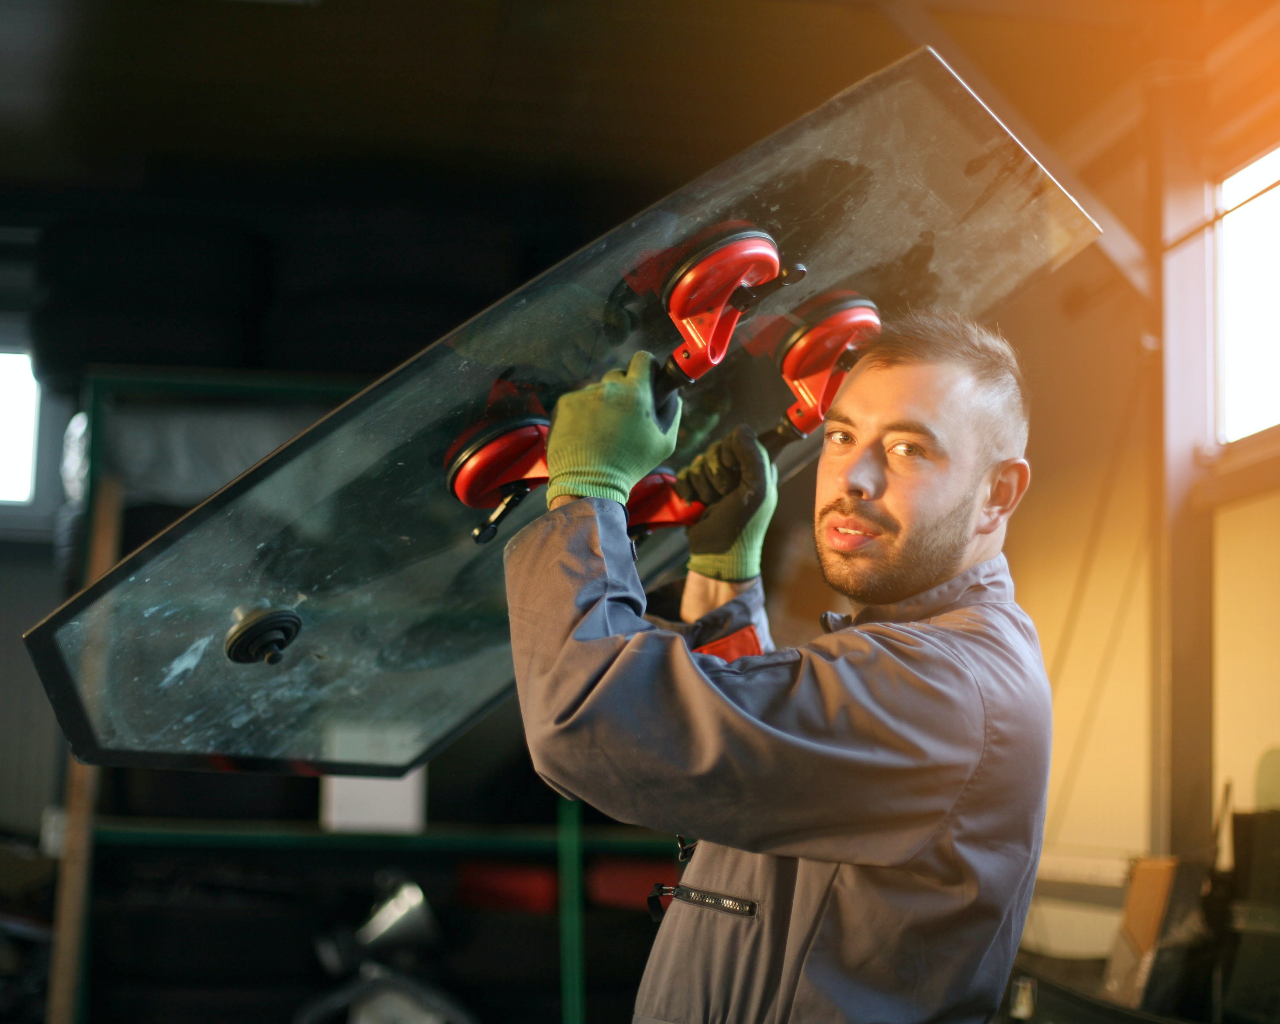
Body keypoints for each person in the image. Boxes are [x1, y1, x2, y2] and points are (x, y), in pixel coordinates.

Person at [503, 309, 1050, 1024]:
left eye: (909, 449)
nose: (854, 477)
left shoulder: (949, 684)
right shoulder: (922, 652)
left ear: (999, 494)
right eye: (842, 436)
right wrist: (724, 580)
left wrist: (589, 488)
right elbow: (767, 756)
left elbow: (591, 720)